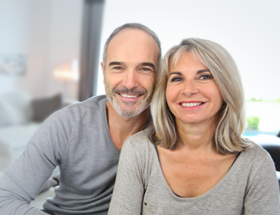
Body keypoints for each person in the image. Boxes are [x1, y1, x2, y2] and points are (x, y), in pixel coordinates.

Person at [0, 23, 161, 215]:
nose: (130, 83)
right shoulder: (66, 124)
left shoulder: (168, 129)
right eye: (118, 67)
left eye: (144, 69)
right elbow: (5, 197)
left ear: (159, 75)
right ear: (103, 72)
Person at [108, 38, 280, 214]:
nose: (188, 90)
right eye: (177, 78)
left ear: (226, 86)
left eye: (204, 77)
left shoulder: (256, 164)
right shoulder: (139, 150)